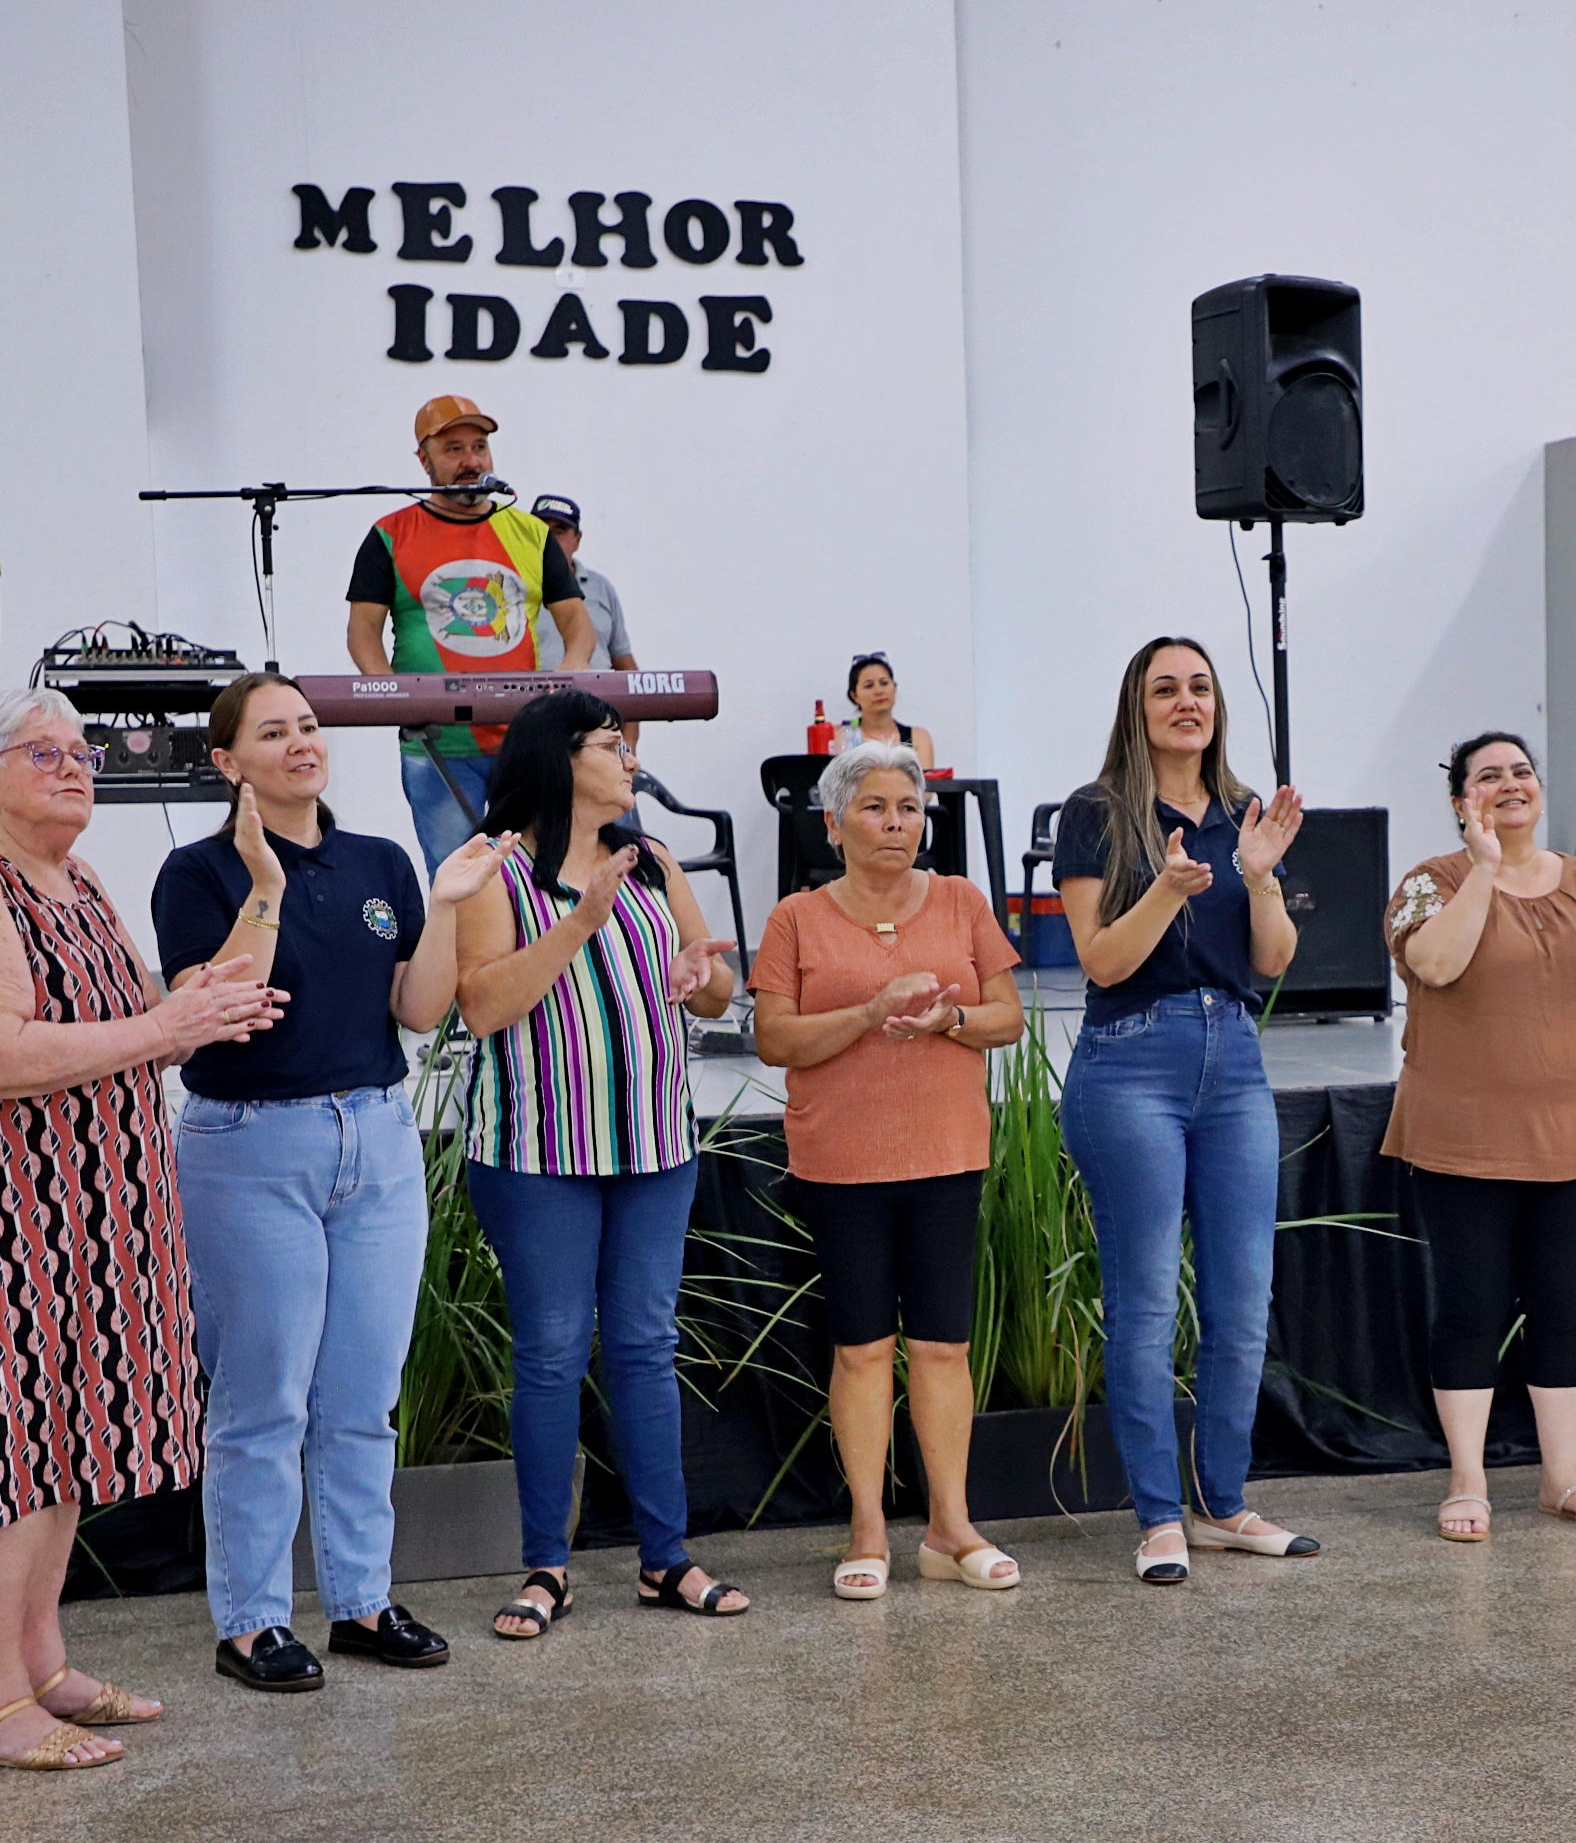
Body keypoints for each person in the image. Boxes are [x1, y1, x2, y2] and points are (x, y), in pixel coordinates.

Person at [0, 685, 281, 1769]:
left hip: (94, 1212)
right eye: (44, 752)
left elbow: (138, 1021)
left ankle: (42, 1665)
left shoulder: (80, 876)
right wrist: (163, 1026)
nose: (75, 767)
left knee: (59, 1445)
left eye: (83, 751)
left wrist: (223, 967)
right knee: (4, 1454)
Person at [152, 672, 515, 1693]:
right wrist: (265, 886)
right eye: (273, 732)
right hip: (252, 1146)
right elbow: (218, 1005)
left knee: (362, 1396)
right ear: (227, 761)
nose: (302, 743)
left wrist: (446, 907)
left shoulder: (381, 860)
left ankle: (360, 1600)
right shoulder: (198, 872)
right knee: (263, 1400)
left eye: (308, 726)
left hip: (378, 1137)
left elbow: (418, 1009)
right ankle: (252, 1623)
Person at [453, 690, 739, 1636]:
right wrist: (581, 921)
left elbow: (715, 987)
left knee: (646, 1346)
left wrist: (703, 976)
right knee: (550, 1351)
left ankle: (667, 1558)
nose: (631, 760)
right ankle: (547, 1566)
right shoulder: (495, 868)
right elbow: (483, 1007)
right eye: (614, 745)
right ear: (560, 757)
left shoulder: (652, 859)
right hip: (538, 1151)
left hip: (654, 1144)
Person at [1053, 636, 1309, 1583]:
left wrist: (1261, 874)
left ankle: (1223, 1504)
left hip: (1233, 1060)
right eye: (1166, 689)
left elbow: (1271, 961)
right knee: (1148, 1303)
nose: (1186, 702)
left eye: (1200, 686)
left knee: (1243, 1303)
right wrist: (1166, 888)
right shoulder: (1096, 813)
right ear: (1138, 707)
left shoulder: (1245, 812)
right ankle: (1160, 1516)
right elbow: (1101, 961)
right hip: (1132, 1063)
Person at [752, 738, 1026, 1597]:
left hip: (946, 1153)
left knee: (943, 1347)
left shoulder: (961, 900)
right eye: (874, 808)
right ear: (834, 825)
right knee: (863, 1349)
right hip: (842, 1161)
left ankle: (950, 1527)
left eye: (909, 808)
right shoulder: (796, 917)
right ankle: (867, 1529)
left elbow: (1009, 1017)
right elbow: (773, 1038)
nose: (896, 823)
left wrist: (951, 1021)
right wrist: (871, 1011)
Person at [1385, 731, 1576, 1542]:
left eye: (1522, 771)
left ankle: (1561, 1479)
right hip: (1463, 1137)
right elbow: (1437, 964)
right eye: (1488, 776)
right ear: (1460, 800)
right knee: (1471, 1307)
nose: (1510, 783)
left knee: (1562, 1307)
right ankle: (1467, 1481)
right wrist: (1483, 869)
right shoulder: (1430, 881)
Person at [345, 396, 596, 875]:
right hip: (435, 743)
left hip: (524, 741)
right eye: (454, 449)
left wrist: (568, 677)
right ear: (424, 461)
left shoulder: (531, 533)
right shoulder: (390, 535)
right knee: (456, 877)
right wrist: (389, 694)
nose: (471, 461)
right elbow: (362, 632)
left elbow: (577, 624)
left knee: (539, 873)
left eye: (479, 447)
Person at [528, 496, 637, 671]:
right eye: (541, 529)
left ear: (577, 540)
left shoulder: (601, 587)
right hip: (534, 688)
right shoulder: (513, 585)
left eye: (559, 531)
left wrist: (642, 687)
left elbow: (621, 656)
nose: (549, 539)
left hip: (596, 687)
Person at [842, 652, 937, 768]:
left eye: (884, 683)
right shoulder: (840, 735)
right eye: (869, 686)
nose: (878, 691)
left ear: (894, 687)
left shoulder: (918, 738)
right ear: (854, 696)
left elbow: (925, 779)